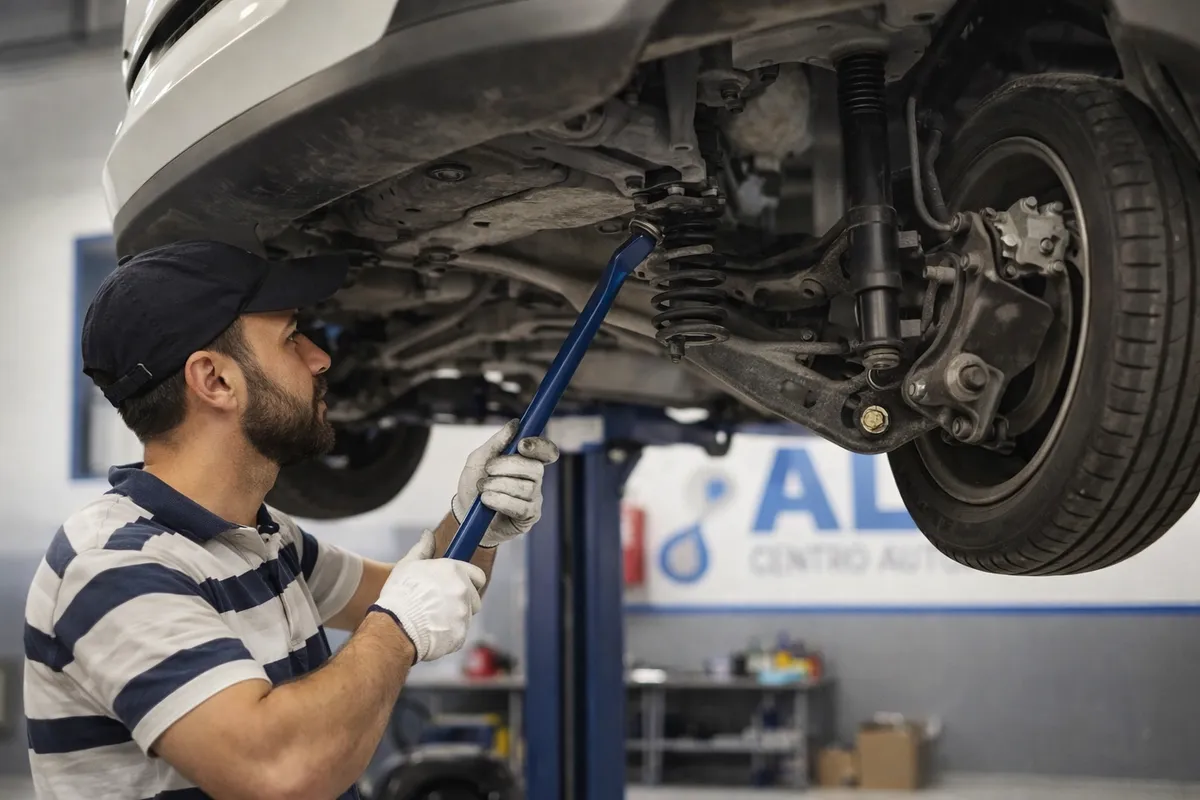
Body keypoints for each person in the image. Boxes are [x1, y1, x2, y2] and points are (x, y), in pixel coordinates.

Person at [22, 240, 559, 800]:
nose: (319, 358)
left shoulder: (260, 537)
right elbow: (276, 773)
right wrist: (398, 629)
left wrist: (476, 522)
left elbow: (424, 592)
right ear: (215, 381)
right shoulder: (115, 567)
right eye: (289, 338)